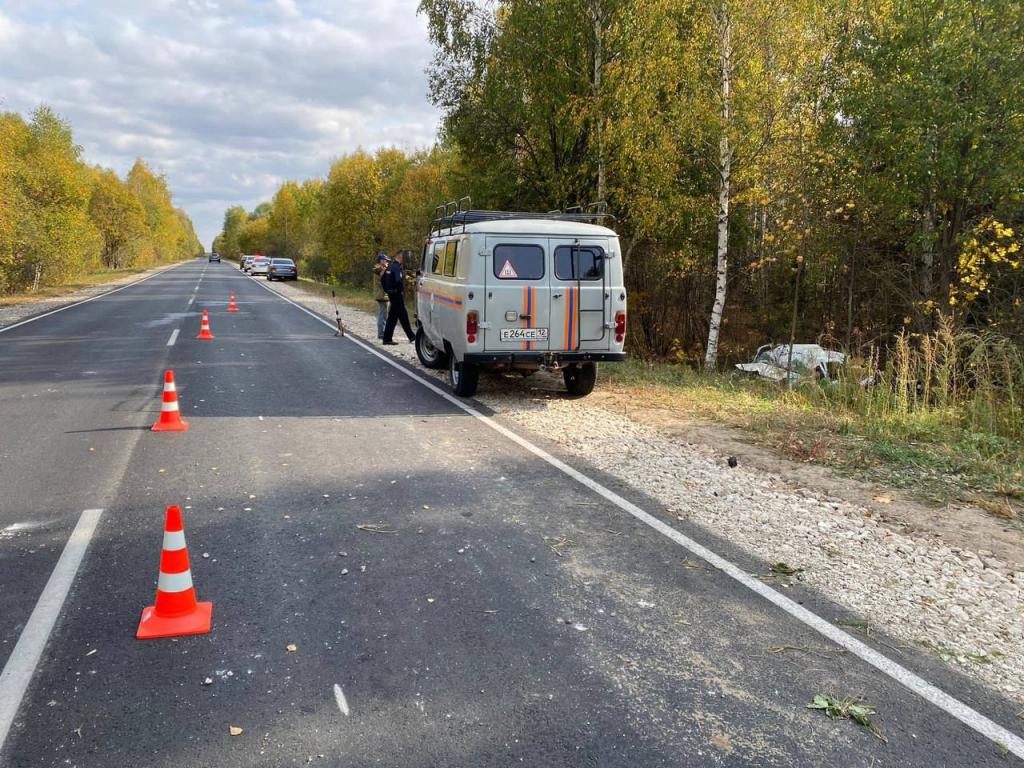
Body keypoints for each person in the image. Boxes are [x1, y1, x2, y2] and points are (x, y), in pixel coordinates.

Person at [381, 250, 415, 345]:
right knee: (398, 316)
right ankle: (410, 337)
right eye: (404, 258)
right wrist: (400, 290)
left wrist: (387, 290)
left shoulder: (390, 266)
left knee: (398, 316)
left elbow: (383, 279)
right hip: (396, 295)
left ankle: (410, 336)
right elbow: (398, 281)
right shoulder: (396, 268)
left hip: (392, 295)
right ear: (400, 257)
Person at [372, 252, 389, 339]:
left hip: (381, 294)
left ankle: (382, 333)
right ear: (381, 261)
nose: (387, 263)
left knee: (383, 313)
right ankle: (381, 334)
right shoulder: (380, 269)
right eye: (386, 261)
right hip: (382, 295)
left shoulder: (379, 269)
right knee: (383, 314)